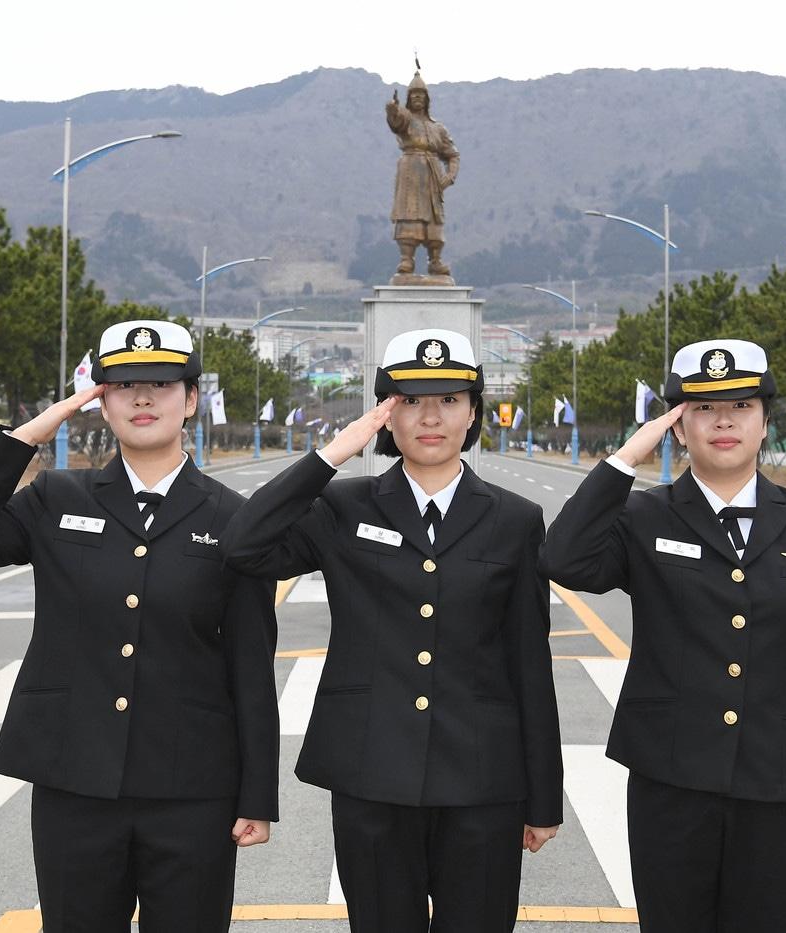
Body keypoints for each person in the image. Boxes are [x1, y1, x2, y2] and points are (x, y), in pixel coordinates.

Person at [0, 320, 278, 933]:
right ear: (100, 399)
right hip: (74, 780)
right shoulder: (58, 498)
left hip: (192, 789)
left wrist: (257, 795)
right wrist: (34, 432)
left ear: (191, 400)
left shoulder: (233, 518)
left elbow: (250, 661)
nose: (143, 399)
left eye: (162, 385)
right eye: (123, 385)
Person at [222, 328, 563, 933]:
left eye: (449, 400)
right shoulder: (344, 508)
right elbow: (244, 546)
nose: (430, 416)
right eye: (410, 401)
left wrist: (542, 797)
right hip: (370, 772)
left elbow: (529, 662)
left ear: (473, 412)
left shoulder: (515, 520)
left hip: (483, 780)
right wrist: (331, 456)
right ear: (385, 416)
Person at [542, 339, 786, 933]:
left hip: (782, 784)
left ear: (766, 422)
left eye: (741, 406)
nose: (723, 421)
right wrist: (625, 460)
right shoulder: (644, 516)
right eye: (701, 408)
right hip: (672, 777)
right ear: (677, 427)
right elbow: (563, 559)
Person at [385, 71, 460, 278]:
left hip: (433, 174)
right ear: (409, 98)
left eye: (421, 94)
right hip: (410, 170)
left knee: (435, 218)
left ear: (427, 99)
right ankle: (406, 259)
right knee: (409, 213)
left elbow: (453, 155)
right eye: (414, 94)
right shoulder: (406, 121)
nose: (417, 97)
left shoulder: (439, 128)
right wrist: (392, 110)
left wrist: (450, 176)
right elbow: (396, 122)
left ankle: (435, 260)